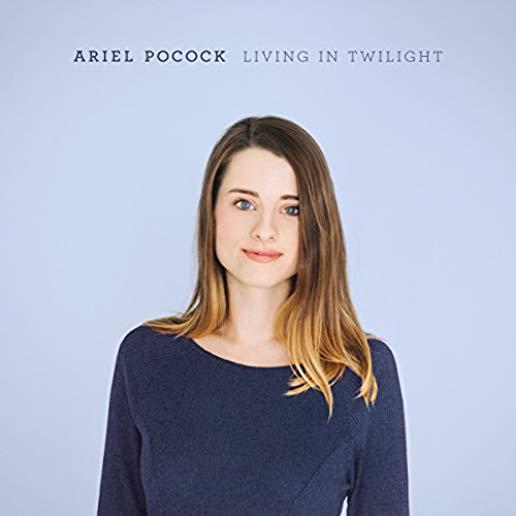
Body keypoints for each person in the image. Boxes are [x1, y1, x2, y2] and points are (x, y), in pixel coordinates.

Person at [96, 115, 410, 515]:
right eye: (244, 203)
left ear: (317, 225)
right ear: (212, 212)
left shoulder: (360, 373)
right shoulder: (146, 357)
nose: (265, 229)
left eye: (291, 209)